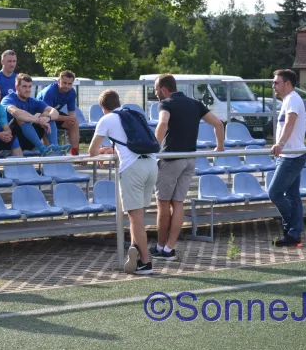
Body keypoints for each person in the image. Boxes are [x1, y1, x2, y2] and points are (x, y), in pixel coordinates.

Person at [152, 74, 225, 261]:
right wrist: (220, 147)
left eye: (156, 89)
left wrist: (153, 148)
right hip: (190, 159)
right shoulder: (194, 103)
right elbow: (218, 123)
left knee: (162, 204)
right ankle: (170, 248)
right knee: (178, 203)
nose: (155, 93)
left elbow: (163, 122)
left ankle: (160, 247)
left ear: (164, 89)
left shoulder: (166, 103)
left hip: (171, 158)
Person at [88, 90, 157, 275]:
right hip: (151, 164)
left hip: (133, 168)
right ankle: (135, 252)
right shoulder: (132, 113)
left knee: (136, 219)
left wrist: (102, 151)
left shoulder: (107, 119)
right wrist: (110, 149)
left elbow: (91, 151)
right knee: (138, 216)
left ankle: (145, 263)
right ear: (118, 102)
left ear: (103, 107)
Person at [268, 69, 306, 248]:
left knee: (274, 192)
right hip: (289, 155)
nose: (273, 86)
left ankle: (295, 229)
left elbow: (291, 122)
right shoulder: (289, 99)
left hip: (291, 156)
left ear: (287, 83)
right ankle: (293, 234)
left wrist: (281, 144)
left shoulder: (292, 99)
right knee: (293, 196)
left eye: (276, 82)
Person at [1, 74, 71, 156]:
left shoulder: (33, 101)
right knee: (21, 118)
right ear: (16, 87)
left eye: (29, 87)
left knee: (46, 114)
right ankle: (42, 148)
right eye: (24, 86)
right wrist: (38, 120)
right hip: (10, 138)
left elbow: (54, 111)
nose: (28, 90)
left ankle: (55, 146)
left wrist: (47, 119)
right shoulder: (8, 99)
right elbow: (16, 113)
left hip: (28, 138)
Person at [36, 70, 80, 156]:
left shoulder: (72, 92)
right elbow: (48, 115)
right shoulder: (49, 92)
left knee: (74, 123)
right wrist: (68, 118)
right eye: (64, 82)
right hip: (39, 115)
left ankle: (75, 154)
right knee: (48, 122)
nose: (67, 86)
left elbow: (72, 112)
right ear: (58, 81)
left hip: (53, 115)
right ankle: (50, 155)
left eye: (69, 84)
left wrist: (72, 119)